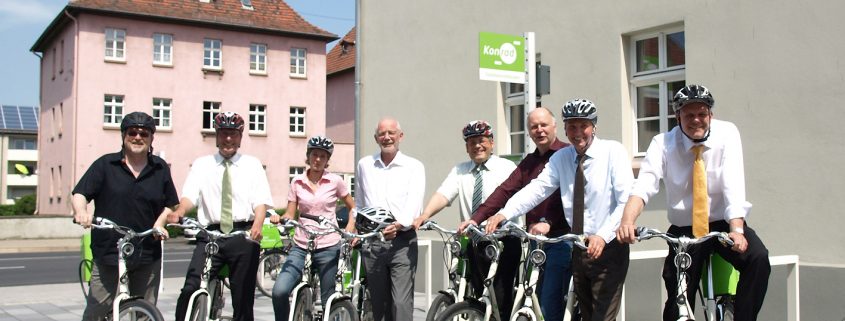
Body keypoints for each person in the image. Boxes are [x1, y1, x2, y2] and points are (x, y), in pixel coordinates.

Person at [616, 84, 770, 321]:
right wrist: (628, 220)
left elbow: (733, 183)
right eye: (689, 115)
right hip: (685, 230)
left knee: (758, 258)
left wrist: (737, 230)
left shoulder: (727, 133)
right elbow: (644, 184)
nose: (696, 120)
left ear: (711, 115)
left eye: (702, 114)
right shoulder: (662, 143)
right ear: (678, 117)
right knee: (678, 295)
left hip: (723, 224)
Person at [484, 99, 633, 321]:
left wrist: (602, 236)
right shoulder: (562, 158)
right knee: (585, 314)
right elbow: (537, 189)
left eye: (583, 125)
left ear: (594, 126)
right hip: (579, 247)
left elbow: (625, 201)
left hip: (608, 247)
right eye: (572, 126)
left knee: (602, 317)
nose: (578, 132)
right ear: (565, 128)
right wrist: (504, 213)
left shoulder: (613, 152)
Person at [462, 107, 574, 321]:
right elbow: (505, 190)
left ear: (554, 126)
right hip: (534, 242)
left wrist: (547, 221)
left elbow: (564, 194)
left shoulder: (566, 154)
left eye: (543, 125)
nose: (539, 130)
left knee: (550, 303)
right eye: (534, 126)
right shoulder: (529, 163)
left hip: (560, 239)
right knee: (533, 299)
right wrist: (478, 218)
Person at [72, 111, 179, 321]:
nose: (138, 137)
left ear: (151, 138)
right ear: (123, 135)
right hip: (109, 252)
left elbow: (170, 203)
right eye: (132, 132)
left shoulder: (160, 168)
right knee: (98, 308)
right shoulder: (105, 165)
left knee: (145, 311)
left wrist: (160, 222)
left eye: (144, 133)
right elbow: (80, 193)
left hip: (147, 251)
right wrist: (81, 211)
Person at [172, 112, 273, 321]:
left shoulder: (252, 164)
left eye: (233, 134)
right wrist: (180, 211)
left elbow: (260, 201)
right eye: (224, 133)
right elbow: (190, 195)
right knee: (191, 287)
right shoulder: (202, 164)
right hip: (211, 235)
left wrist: (257, 225)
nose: (228, 139)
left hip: (243, 235)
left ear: (240, 137)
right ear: (217, 136)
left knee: (243, 296)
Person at [412, 120, 518, 320]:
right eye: (472, 142)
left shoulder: (507, 167)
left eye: (481, 140)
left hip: (503, 241)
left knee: (501, 300)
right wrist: (425, 215)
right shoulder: (460, 170)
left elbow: (515, 200)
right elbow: (444, 195)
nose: (477, 145)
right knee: (478, 297)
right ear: (466, 147)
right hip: (475, 241)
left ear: (492, 142)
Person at [269, 136, 356, 321]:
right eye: (314, 155)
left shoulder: (335, 181)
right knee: (279, 291)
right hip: (301, 246)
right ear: (308, 156)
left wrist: (350, 226)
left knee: (328, 300)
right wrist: (280, 218)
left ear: (327, 160)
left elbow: (352, 206)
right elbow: (290, 214)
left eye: (322, 156)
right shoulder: (297, 182)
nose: (318, 159)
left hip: (329, 245)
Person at [355, 117, 425, 321]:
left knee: (401, 303)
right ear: (375, 138)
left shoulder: (414, 166)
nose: (386, 137)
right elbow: (360, 203)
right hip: (373, 243)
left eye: (391, 133)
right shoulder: (364, 165)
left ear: (400, 136)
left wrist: (398, 225)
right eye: (382, 134)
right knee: (379, 304)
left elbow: (414, 203)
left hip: (402, 241)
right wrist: (357, 229)